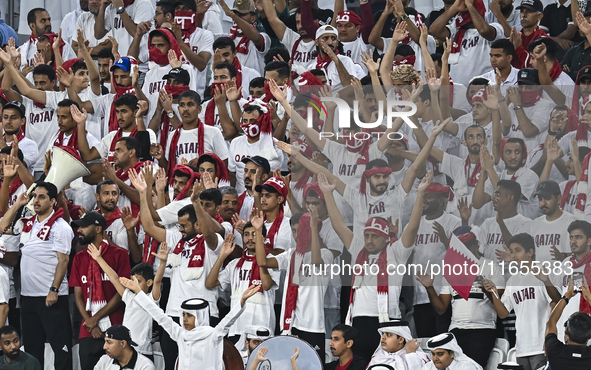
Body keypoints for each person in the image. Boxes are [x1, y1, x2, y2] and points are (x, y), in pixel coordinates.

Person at [0, 183, 73, 370]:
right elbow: (2, 226)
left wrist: (54, 290)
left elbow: (63, 261)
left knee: (61, 348)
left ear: (53, 201)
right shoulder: (28, 223)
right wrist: (18, 205)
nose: (36, 200)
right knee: (32, 350)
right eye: (35, 197)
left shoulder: (61, 227)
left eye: (42, 197)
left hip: (51, 297)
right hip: (28, 297)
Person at [120, 277, 259, 370]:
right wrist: (138, 291)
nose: (185, 319)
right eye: (183, 315)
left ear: (200, 316)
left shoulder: (212, 335)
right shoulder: (181, 334)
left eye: (190, 316)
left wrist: (241, 302)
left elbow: (228, 321)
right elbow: (159, 315)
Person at [484, 233, 561, 370]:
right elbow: (503, 313)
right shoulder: (512, 281)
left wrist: (547, 281)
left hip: (540, 346)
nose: (513, 255)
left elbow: (557, 301)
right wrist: (493, 292)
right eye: (512, 251)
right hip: (521, 347)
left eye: (518, 250)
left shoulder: (543, 273)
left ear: (530, 252)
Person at [69, 211, 131, 370]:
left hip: (116, 325)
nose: (79, 230)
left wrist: (95, 318)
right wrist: (90, 323)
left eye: (83, 226)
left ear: (98, 229)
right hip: (88, 329)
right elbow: (78, 295)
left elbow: (122, 293)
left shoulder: (120, 254)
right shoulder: (78, 258)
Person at [87, 243, 168, 358]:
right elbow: (114, 278)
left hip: (143, 351)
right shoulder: (129, 297)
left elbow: (158, 281)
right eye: (132, 281)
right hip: (125, 350)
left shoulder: (151, 299)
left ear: (149, 283)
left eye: (138, 281)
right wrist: (99, 258)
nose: (133, 284)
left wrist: (163, 263)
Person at [544, 281, 591, 370]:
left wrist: (567, 296)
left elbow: (551, 322)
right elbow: (551, 322)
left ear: (566, 331)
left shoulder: (554, 351)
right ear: (590, 335)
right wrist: (589, 298)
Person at [530, 180, 576, 264]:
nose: (543, 203)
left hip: (563, 273)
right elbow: (534, 256)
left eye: (547, 199)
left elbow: (580, 253)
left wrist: (563, 257)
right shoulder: (535, 223)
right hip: (540, 274)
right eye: (540, 199)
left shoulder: (571, 221)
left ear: (558, 199)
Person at [366, 320, 430, 369]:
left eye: (388, 334)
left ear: (401, 339)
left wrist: (411, 354)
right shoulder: (378, 357)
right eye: (383, 334)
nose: (383, 337)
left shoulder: (419, 356)